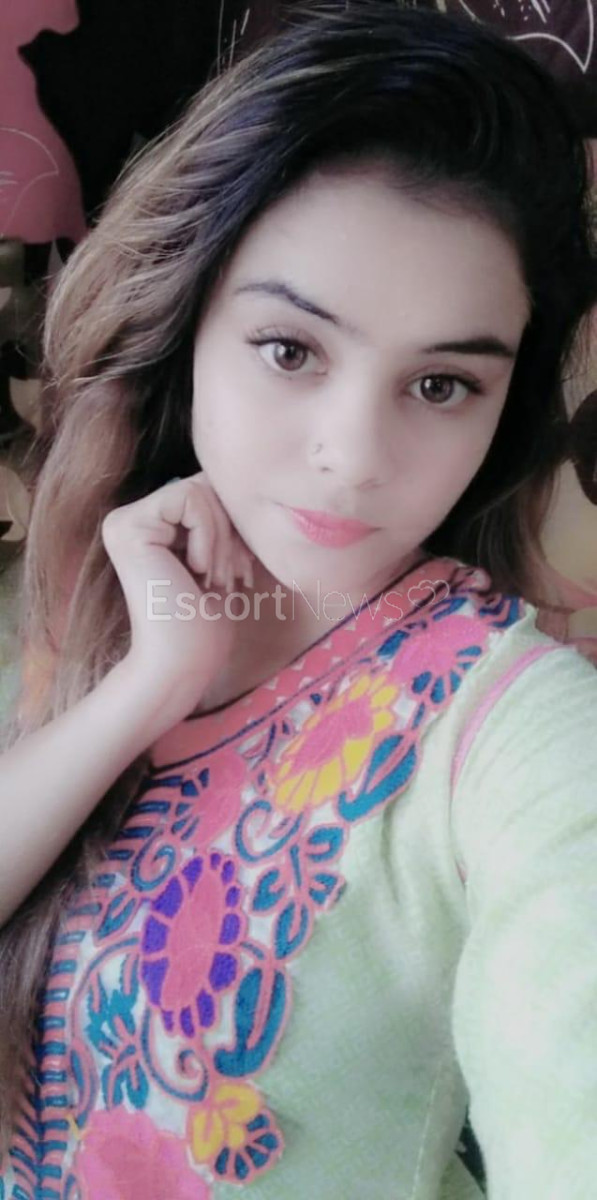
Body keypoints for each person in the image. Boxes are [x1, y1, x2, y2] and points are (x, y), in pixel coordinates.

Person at [0, 1, 596, 1196]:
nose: (355, 458)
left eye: (442, 383)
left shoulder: (511, 726)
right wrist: (150, 683)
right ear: (188, 321)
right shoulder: (107, 590)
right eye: (291, 350)